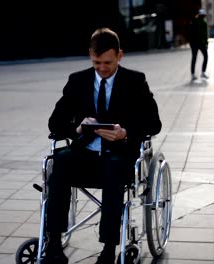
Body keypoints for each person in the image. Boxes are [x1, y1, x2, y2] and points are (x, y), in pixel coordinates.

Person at [43, 27, 162, 264]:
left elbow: (154, 123)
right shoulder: (77, 81)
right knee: (59, 163)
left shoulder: (135, 81)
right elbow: (54, 123)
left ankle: (108, 249)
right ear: (90, 54)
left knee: (113, 169)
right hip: (84, 153)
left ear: (120, 55)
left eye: (107, 62)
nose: (102, 68)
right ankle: (53, 243)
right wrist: (76, 129)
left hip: (119, 155)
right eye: (97, 62)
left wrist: (125, 133)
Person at [189, 8, 209, 80]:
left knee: (194, 58)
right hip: (200, 43)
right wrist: (206, 43)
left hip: (194, 43)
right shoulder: (203, 23)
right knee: (205, 57)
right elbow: (205, 35)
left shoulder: (194, 21)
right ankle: (202, 73)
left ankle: (192, 74)